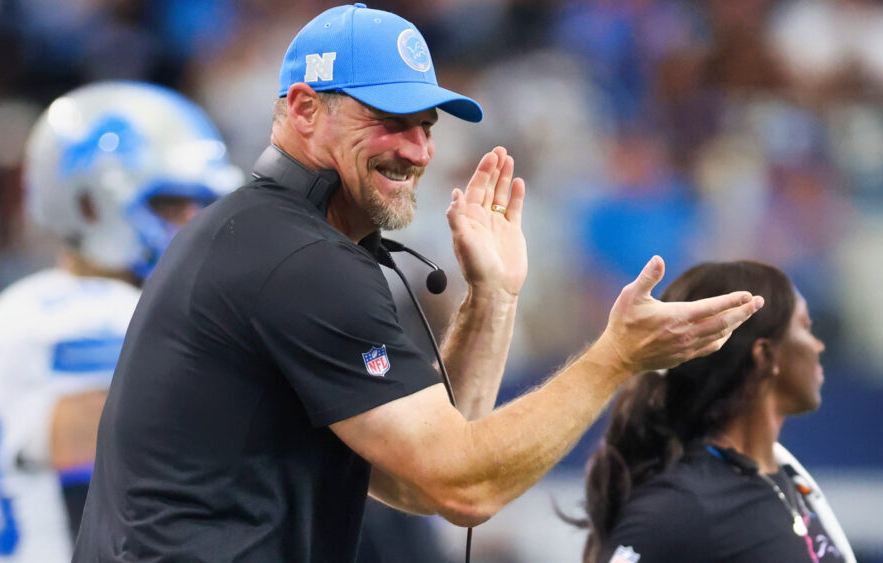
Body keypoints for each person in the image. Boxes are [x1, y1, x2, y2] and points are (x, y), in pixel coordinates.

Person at [73, 5, 763, 562]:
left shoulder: (266, 236)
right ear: (305, 109)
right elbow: (464, 483)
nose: (418, 150)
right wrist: (616, 356)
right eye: (389, 122)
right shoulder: (296, 260)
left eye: (425, 127)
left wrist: (492, 296)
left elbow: (418, 473)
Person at [0, 81, 241, 563]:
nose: (192, 223)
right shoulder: (84, 315)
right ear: (90, 203)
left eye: (201, 206)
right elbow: (107, 488)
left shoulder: (34, 306)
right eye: (170, 204)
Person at [576, 261, 856, 563]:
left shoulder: (786, 479)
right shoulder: (680, 506)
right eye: (805, 326)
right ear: (765, 355)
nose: (818, 345)